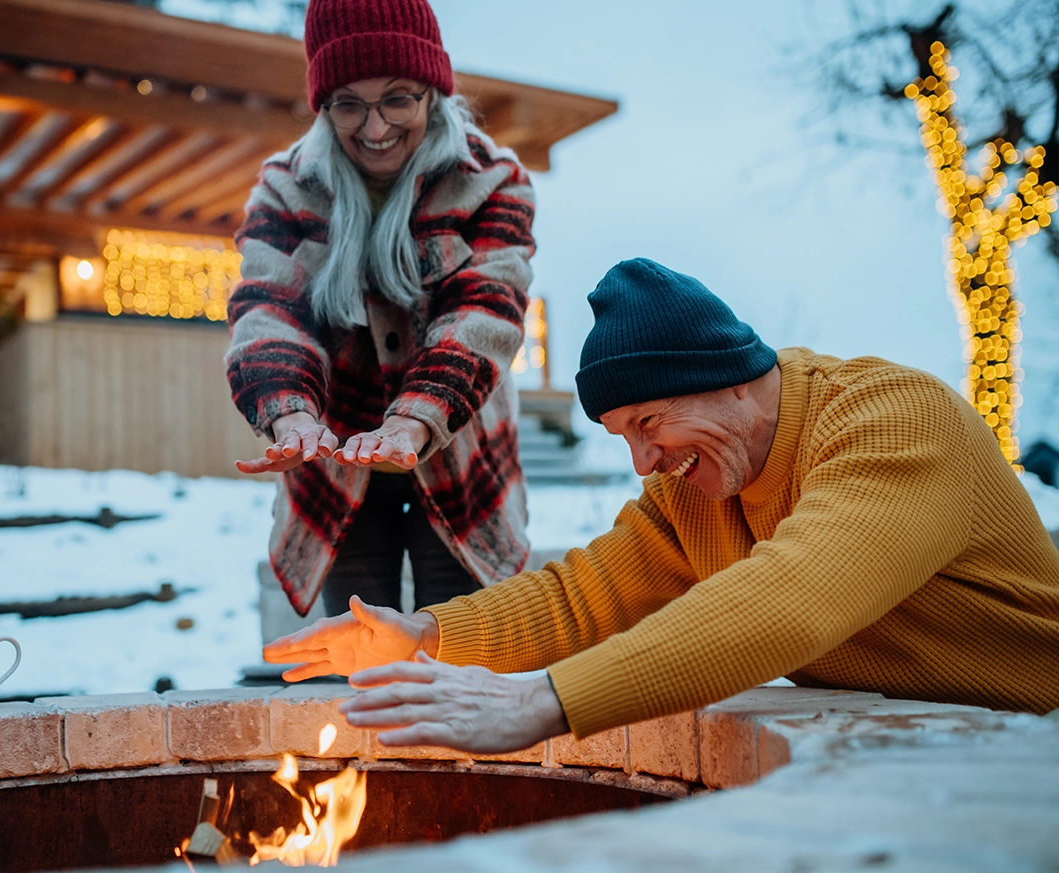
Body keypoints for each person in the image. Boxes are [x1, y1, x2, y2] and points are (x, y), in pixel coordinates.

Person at [264, 258, 1059, 754]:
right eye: (622, 436)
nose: (646, 460)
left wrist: (545, 702)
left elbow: (793, 594)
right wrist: (427, 635)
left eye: (649, 423)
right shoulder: (694, 489)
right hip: (918, 740)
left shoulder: (896, 420)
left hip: (1034, 744)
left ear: (734, 378)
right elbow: (582, 594)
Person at [227, 0, 534, 619]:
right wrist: (289, 416)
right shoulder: (285, 188)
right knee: (361, 659)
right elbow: (269, 308)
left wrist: (414, 420)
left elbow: (484, 309)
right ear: (324, 105)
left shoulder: (493, 180)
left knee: (455, 652)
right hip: (332, 464)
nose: (374, 127)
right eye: (349, 104)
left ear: (433, 92)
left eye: (398, 99)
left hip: (460, 455)